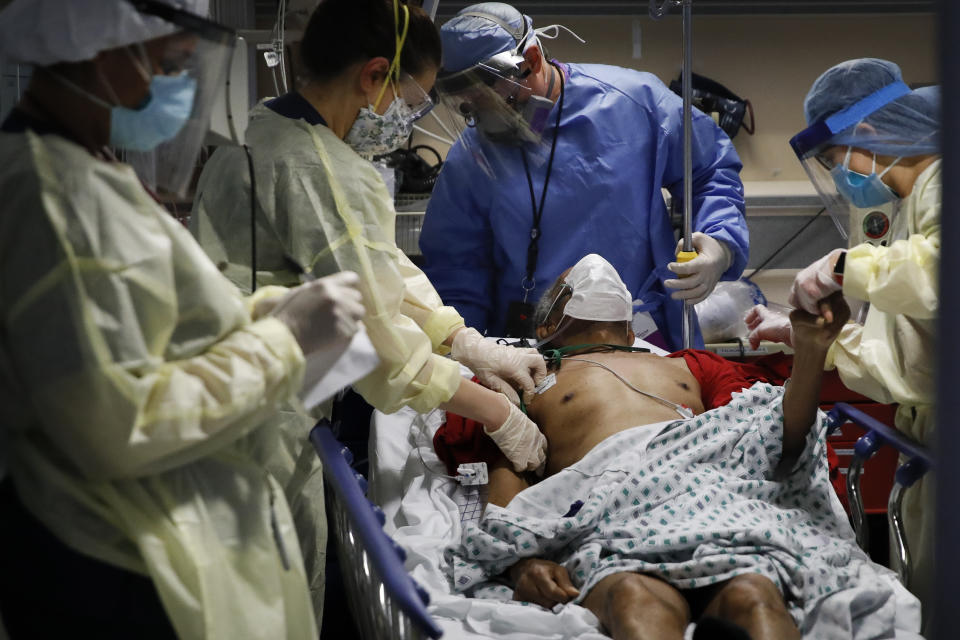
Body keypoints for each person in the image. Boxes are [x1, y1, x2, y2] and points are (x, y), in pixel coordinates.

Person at [0, 0, 371, 637]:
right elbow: (119, 419)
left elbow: (149, 320)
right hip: (116, 566)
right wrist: (281, 340)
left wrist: (263, 312)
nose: (178, 87)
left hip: (146, 539)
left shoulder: (86, 166)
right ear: (94, 49)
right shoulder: (49, 193)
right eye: (169, 65)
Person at [447, 255, 921, 640]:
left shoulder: (692, 365)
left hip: (716, 498)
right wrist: (522, 560)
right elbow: (507, 462)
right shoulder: (525, 375)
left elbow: (770, 438)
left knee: (753, 595)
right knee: (634, 596)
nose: (596, 268)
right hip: (614, 514)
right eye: (569, 280)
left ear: (632, 330)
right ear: (547, 320)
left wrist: (811, 353)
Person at [192, 0, 548, 477]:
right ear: (374, 75)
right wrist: (495, 412)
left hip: (220, 390)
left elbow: (371, 264)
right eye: (412, 101)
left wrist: (460, 340)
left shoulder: (265, 128)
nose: (407, 120)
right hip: (255, 427)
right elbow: (378, 343)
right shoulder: (318, 167)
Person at [418, 2, 748, 350]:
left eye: (497, 100)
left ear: (531, 59)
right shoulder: (472, 156)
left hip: (638, 335)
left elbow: (710, 169)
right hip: (526, 346)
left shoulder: (636, 105)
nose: (487, 117)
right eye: (470, 107)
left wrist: (720, 242)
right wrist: (467, 351)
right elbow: (456, 273)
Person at [745, 58, 939, 620]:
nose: (841, 178)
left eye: (836, 161)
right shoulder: (908, 206)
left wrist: (840, 266)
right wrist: (817, 340)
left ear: (869, 135)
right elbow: (912, 354)